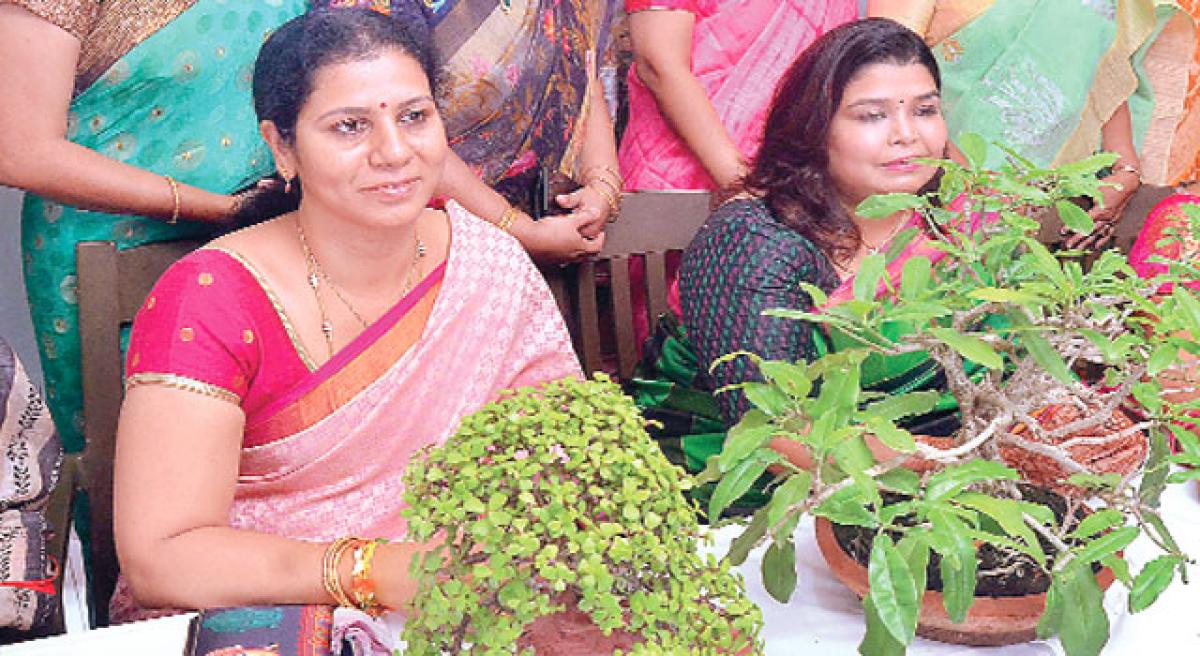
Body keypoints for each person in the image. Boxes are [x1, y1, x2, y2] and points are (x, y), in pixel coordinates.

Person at [109, 8, 580, 626]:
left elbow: (563, 460)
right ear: (283, 146)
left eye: (414, 117)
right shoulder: (211, 297)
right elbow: (162, 558)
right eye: (350, 126)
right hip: (265, 614)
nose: (393, 152)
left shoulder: (487, 263)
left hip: (468, 603)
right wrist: (378, 571)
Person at [636, 18, 956, 483]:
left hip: (926, 491)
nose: (906, 134)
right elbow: (775, 434)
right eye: (872, 115)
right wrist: (958, 461)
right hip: (734, 504)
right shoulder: (755, 240)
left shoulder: (954, 221)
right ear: (814, 126)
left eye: (925, 111)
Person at [0, 0, 308, 455]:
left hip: (281, 233)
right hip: (116, 254)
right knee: (162, 468)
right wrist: (223, 209)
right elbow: (19, 151)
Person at [617, 0, 857, 348]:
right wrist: (749, 187)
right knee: (689, 354)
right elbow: (658, 63)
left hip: (807, 181)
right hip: (693, 177)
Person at [868, 0, 1196, 249]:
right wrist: (974, 190)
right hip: (924, 196)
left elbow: (1101, 70)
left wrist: (1125, 170)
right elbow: (881, 81)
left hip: (1050, 209)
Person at [318, 0, 623, 262]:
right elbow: (386, 126)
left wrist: (600, 186)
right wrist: (518, 231)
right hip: (426, 246)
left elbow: (584, 71)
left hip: (562, 237)